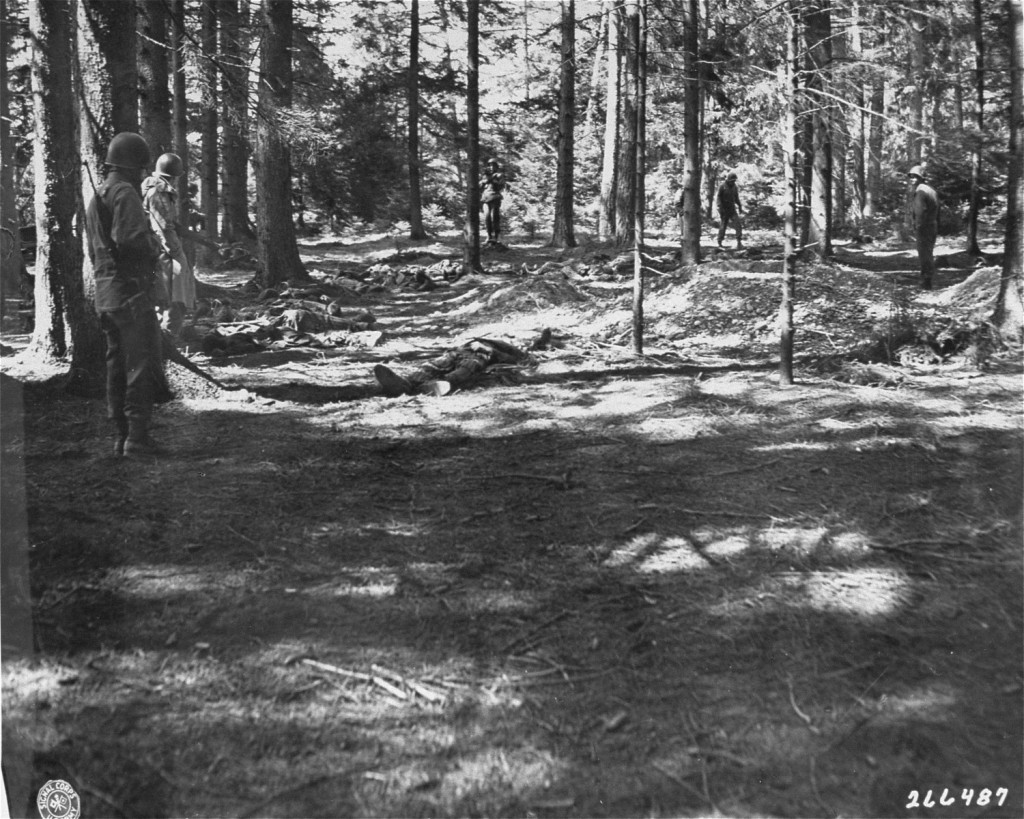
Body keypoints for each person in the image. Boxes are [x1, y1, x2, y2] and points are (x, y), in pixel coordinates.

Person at [85, 132, 164, 457]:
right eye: (141, 168)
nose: (144, 174)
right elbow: (131, 240)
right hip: (131, 293)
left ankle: (120, 436)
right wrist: (153, 249)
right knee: (140, 365)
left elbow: (95, 250)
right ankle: (137, 438)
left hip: (107, 294)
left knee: (117, 366)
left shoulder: (99, 194)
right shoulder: (125, 193)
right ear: (132, 166)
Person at [142, 152, 197, 335]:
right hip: (165, 252)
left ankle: (164, 339)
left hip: (156, 250)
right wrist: (177, 253)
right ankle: (170, 339)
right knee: (176, 298)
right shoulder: (159, 191)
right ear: (173, 176)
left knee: (165, 297)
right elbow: (164, 227)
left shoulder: (153, 188)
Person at [374, 338, 532, 397]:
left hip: (479, 356)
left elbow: (512, 360)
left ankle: (431, 386)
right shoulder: (489, 336)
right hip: (459, 351)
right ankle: (405, 382)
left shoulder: (513, 350)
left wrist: (489, 350)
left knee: (466, 368)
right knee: (433, 365)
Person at [908, 165, 939, 290]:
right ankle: (927, 280)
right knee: (928, 253)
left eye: (915, 177)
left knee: (924, 254)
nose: (912, 179)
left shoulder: (921, 191)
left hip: (924, 226)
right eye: (911, 177)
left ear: (921, 178)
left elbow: (920, 211)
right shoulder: (931, 190)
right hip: (932, 225)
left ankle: (925, 282)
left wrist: (918, 226)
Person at [481, 159, 508, 247]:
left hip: (495, 198)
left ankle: (497, 236)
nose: (491, 167)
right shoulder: (485, 176)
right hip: (485, 198)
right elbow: (480, 185)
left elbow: (501, 185)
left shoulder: (499, 175)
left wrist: (493, 179)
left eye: (493, 165)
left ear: (497, 166)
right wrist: (484, 181)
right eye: (490, 165)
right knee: (487, 218)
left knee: (495, 217)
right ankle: (489, 236)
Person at [716, 172, 743, 249]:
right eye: (732, 181)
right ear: (728, 180)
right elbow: (718, 197)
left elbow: (736, 197)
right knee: (723, 225)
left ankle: (739, 241)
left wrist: (740, 206)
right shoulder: (722, 186)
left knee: (738, 224)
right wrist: (719, 207)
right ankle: (719, 242)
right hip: (724, 209)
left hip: (732, 209)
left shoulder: (734, 187)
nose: (733, 182)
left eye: (734, 181)